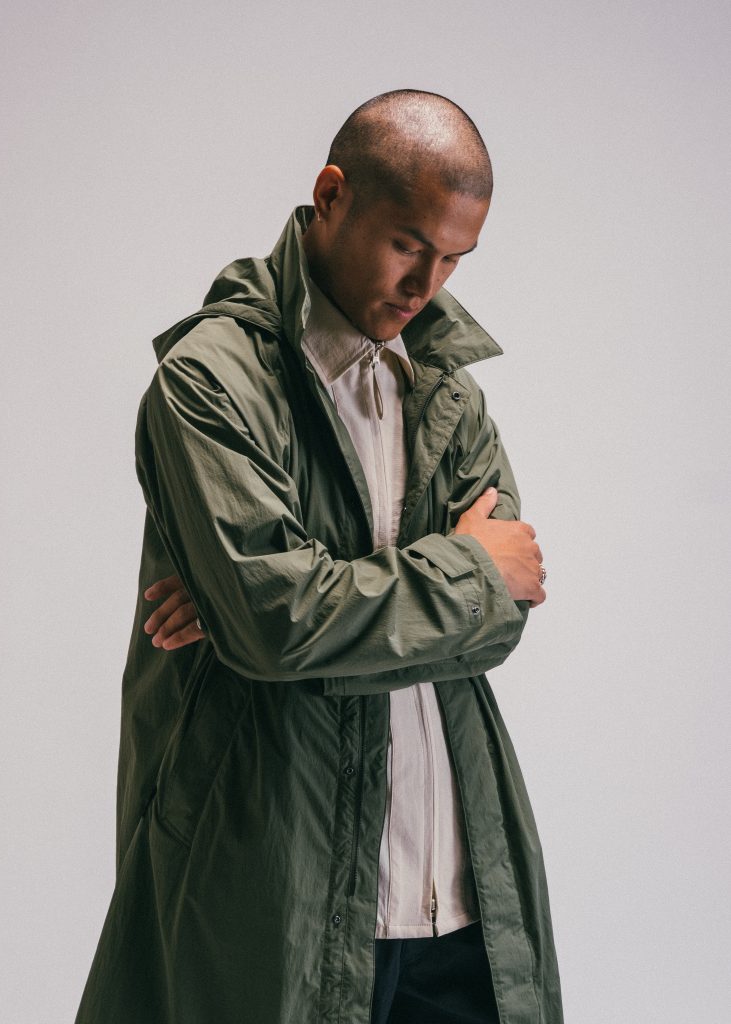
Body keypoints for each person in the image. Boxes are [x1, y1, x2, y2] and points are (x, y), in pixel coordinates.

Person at [76, 89, 563, 1024]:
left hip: (462, 884)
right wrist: (455, 574)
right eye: (408, 245)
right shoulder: (210, 378)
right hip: (279, 888)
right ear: (331, 195)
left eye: (453, 259)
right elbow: (279, 622)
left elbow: (504, 612)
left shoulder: (447, 387)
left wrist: (300, 599)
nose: (426, 285)